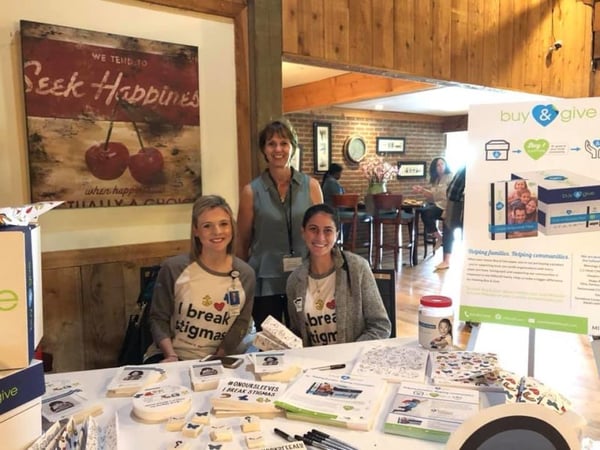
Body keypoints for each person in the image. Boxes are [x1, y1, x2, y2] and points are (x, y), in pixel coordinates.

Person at [145, 195, 255, 363]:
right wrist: (171, 356)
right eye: (207, 226)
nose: (217, 231)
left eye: (223, 224)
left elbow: (241, 322)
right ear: (196, 230)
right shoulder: (173, 268)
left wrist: (220, 355)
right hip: (170, 356)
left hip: (216, 359)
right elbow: (158, 318)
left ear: (232, 227)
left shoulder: (246, 274)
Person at [237, 119, 323, 331]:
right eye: (271, 144)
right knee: (269, 341)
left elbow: (321, 235)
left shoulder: (311, 187)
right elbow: (243, 241)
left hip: (305, 277)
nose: (278, 149)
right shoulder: (251, 191)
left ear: (293, 147)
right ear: (263, 150)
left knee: (306, 336)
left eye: (284, 143)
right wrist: (239, 282)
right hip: (265, 281)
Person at [286, 204, 391, 346]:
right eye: (313, 229)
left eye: (328, 230)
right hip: (314, 359)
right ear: (303, 232)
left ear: (337, 234)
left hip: (354, 358)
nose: (320, 237)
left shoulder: (357, 268)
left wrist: (349, 353)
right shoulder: (294, 281)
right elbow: (297, 333)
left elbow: (380, 326)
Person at [412, 157, 453, 251]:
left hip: (446, 206)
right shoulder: (436, 180)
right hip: (438, 204)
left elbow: (447, 195)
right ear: (434, 168)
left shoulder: (450, 177)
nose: (441, 166)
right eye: (438, 165)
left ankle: (441, 238)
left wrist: (447, 210)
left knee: (427, 212)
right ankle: (439, 236)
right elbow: (433, 196)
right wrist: (421, 190)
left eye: (442, 164)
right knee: (423, 212)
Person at [435, 166, 465, 271]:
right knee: (448, 229)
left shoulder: (471, 167)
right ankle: (446, 260)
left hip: (461, 202)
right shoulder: (464, 166)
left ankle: (465, 259)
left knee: (462, 231)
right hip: (453, 201)